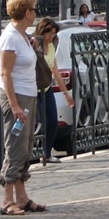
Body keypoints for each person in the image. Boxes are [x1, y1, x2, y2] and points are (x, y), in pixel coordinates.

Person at [0, 0, 45, 214]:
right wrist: (14, 106)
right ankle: (7, 201)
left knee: (25, 147)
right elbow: (5, 74)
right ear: (27, 13)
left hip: (28, 96)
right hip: (16, 99)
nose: (36, 14)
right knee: (14, 146)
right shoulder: (10, 37)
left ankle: (22, 197)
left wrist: (33, 45)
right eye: (34, 10)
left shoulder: (23, 36)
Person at [32, 17, 73, 165]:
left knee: (53, 121)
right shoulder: (33, 45)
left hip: (46, 88)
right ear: (41, 32)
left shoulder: (52, 47)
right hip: (32, 89)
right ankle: (30, 152)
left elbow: (55, 71)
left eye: (54, 34)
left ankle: (46, 154)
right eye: (49, 34)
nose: (51, 37)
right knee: (41, 121)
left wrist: (65, 94)